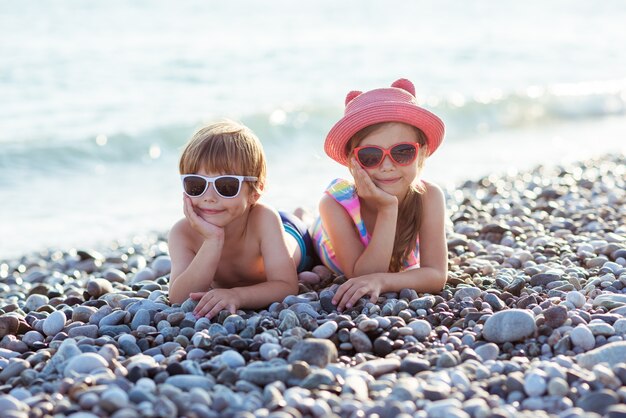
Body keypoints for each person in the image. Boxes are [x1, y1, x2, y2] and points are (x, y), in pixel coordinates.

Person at [312, 78, 448, 312]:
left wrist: (383, 281)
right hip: (323, 236)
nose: (387, 166)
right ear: (352, 163)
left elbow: (436, 275)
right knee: (302, 233)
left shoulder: (429, 197)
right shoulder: (333, 205)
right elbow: (362, 275)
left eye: (402, 152)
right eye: (371, 156)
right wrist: (388, 208)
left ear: (422, 153)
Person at [168, 120, 314, 318]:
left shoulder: (264, 219)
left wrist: (237, 296)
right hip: (248, 216)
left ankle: (302, 214)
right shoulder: (182, 233)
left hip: (292, 233)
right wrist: (212, 240)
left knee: (307, 227)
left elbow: (286, 286)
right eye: (196, 184)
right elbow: (178, 297)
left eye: (226, 186)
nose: (209, 197)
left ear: (256, 191)